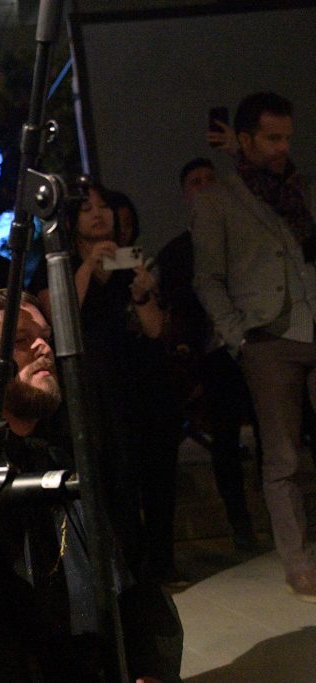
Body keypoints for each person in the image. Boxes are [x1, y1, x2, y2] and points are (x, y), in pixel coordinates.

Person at [0, 289, 182, 682]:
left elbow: (131, 578)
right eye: (20, 339)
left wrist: (147, 667)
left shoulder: (69, 453)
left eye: (45, 336)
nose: (43, 346)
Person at [192, 91, 316, 601]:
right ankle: (299, 563)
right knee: (282, 458)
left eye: (287, 136)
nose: (283, 146)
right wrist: (238, 337)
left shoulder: (302, 191)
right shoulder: (218, 199)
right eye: (272, 137)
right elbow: (208, 278)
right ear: (245, 140)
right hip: (268, 338)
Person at [30, 183, 181, 585]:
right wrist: (85, 266)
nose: (98, 214)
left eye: (104, 207)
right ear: (70, 220)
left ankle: (160, 565)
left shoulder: (129, 260)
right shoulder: (53, 265)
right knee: (108, 474)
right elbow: (58, 322)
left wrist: (144, 292)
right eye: (87, 209)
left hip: (137, 378)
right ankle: (121, 570)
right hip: (91, 384)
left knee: (153, 470)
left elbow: (153, 330)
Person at [156, 157, 258, 551]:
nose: (204, 187)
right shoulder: (177, 252)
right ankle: (240, 525)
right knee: (225, 441)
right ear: (186, 195)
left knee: (276, 435)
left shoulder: (245, 236)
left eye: (209, 181)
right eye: (195, 182)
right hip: (212, 356)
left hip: (257, 344)